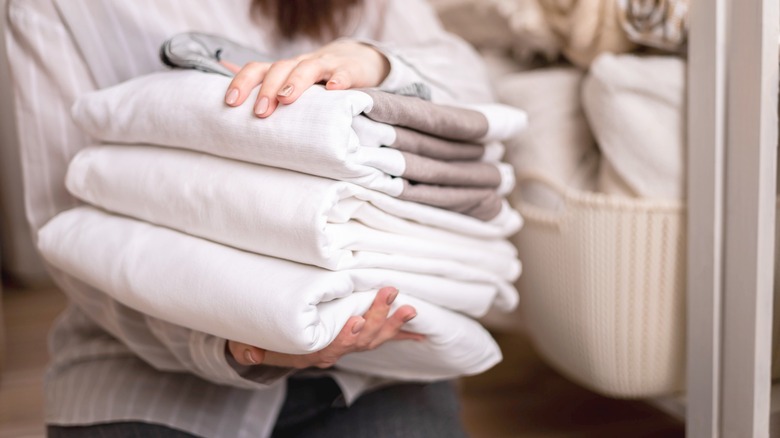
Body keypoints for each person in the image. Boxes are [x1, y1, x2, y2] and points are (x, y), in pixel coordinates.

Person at [7, 0, 494, 436]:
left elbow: (474, 84)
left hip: (376, 364)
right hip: (145, 372)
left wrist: (373, 60)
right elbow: (71, 230)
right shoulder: (58, 8)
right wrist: (232, 340)